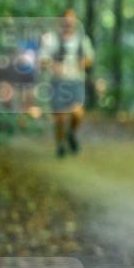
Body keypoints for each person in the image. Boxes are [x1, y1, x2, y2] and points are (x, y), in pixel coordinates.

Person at [40, 9, 94, 158]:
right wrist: (53, 65)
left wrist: (83, 63)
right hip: (57, 82)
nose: (68, 22)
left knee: (78, 113)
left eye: (71, 19)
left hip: (75, 81)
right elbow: (42, 59)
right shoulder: (51, 39)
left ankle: (71, 134)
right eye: (66, 19)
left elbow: (89, 59)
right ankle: (60, 144)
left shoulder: (82, 40)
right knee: (60, 118)